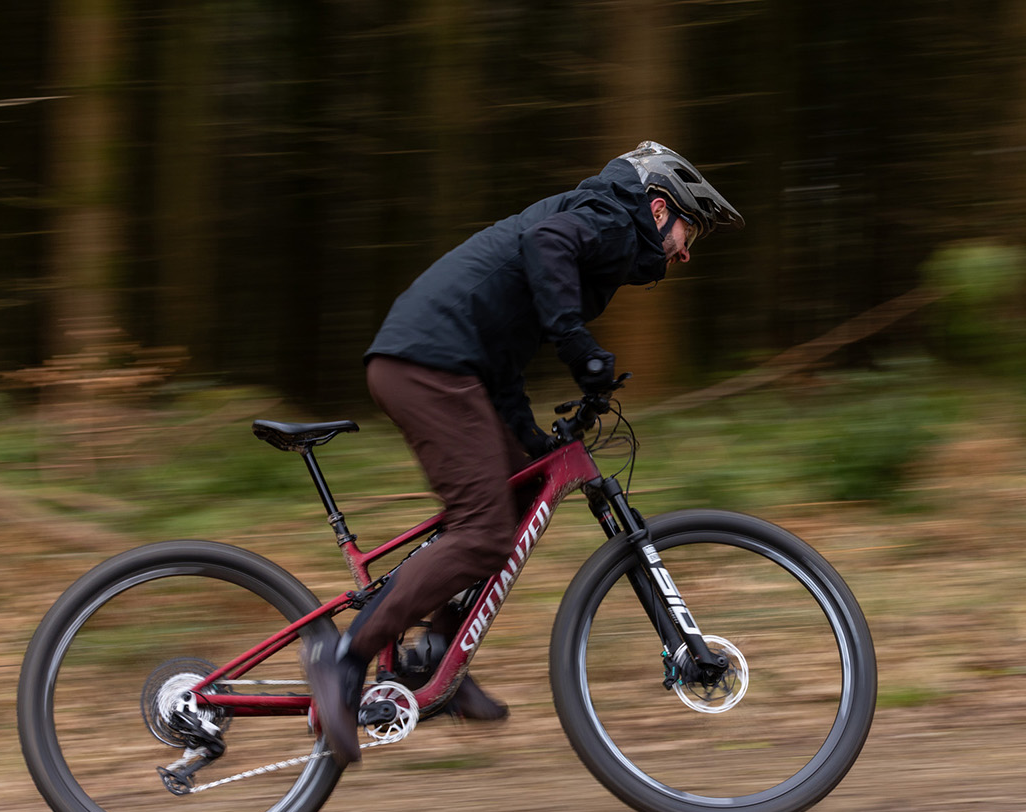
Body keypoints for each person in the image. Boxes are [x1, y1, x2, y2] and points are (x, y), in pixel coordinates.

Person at [309, 141, 744, 766]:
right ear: (656, 210)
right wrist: (578, 345)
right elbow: (548, 247)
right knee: (484, 534)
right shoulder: (608, 220)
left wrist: (532, 439)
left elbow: (505, 359)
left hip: (450, 364)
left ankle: (435, 653)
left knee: (516, 493)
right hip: (429, 364)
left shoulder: (599, 239)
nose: (685, 251)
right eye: (687, 231)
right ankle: (343, 659)